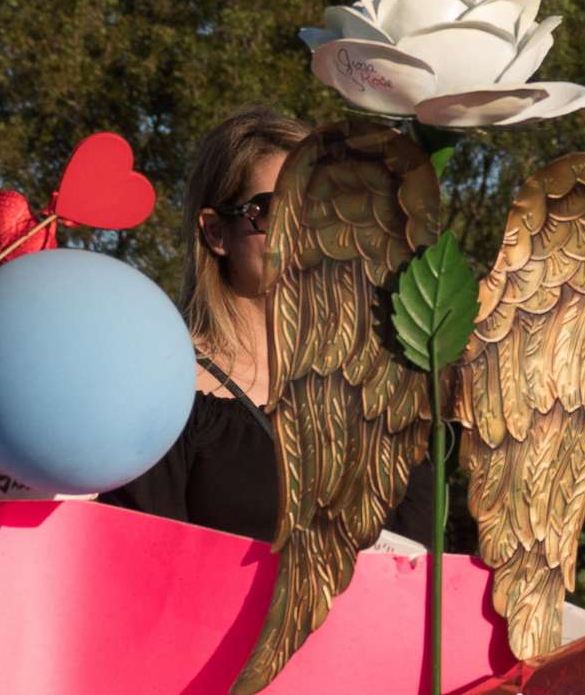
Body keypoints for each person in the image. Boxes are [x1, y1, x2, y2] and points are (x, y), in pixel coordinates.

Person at [100, 113, 443, 546]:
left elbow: (422, 570)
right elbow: (137, 569)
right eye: (273, 209)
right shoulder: (163, 389)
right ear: (217, 232)